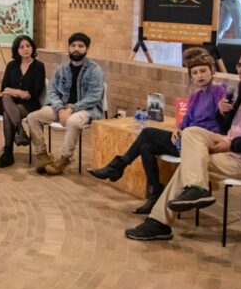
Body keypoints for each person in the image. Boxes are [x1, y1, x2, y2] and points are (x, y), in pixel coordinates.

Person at [126, 47, 241, 241]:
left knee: (192, 164)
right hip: (231, 146)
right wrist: (223, 114)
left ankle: (160, 220)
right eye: (239, 65)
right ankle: (195, 190)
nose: (240, 71)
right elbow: (231, 128)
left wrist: (231, 145)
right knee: (190, 133)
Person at [90, 48, 225, 214]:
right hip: (184, 140)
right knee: (146, 147)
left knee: (148, 133)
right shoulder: (196, 96)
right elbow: (187, 120)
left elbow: (222, 113)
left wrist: (222, 108)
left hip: (200, 145)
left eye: (203, 71)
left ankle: (117, 166)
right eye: (195, 73)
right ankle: (154, 196)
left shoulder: (218, 90)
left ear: (212, 71)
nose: (200, 75)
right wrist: (179, 129)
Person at [27, 32, 105, 176]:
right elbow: (52, 92)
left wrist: (71, 108)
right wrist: (60, 108)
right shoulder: (61, 69)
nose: (76, 48)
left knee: (73, 122)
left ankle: (65, 158)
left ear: (86, 49)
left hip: (86, 110)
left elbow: (94, 97)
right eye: (73, 45)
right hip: (61, 108)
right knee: (32, 117)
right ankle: (42, 155)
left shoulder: (95, 70)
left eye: (80, 46)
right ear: (68, 48)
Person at [0, 35, 46, 168]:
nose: (25, 49)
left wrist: (16, 92)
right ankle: (20, 130)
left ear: (32, 47)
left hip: (29, 105)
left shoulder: (39, 66)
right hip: (9, 102)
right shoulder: (11, 65)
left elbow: (34, 93)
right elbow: (4, 88)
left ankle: (8, 153)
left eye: (28, 46)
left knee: (8, 113)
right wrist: (19, 92)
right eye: (21, 47)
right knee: (6, 99)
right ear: (16, 50)